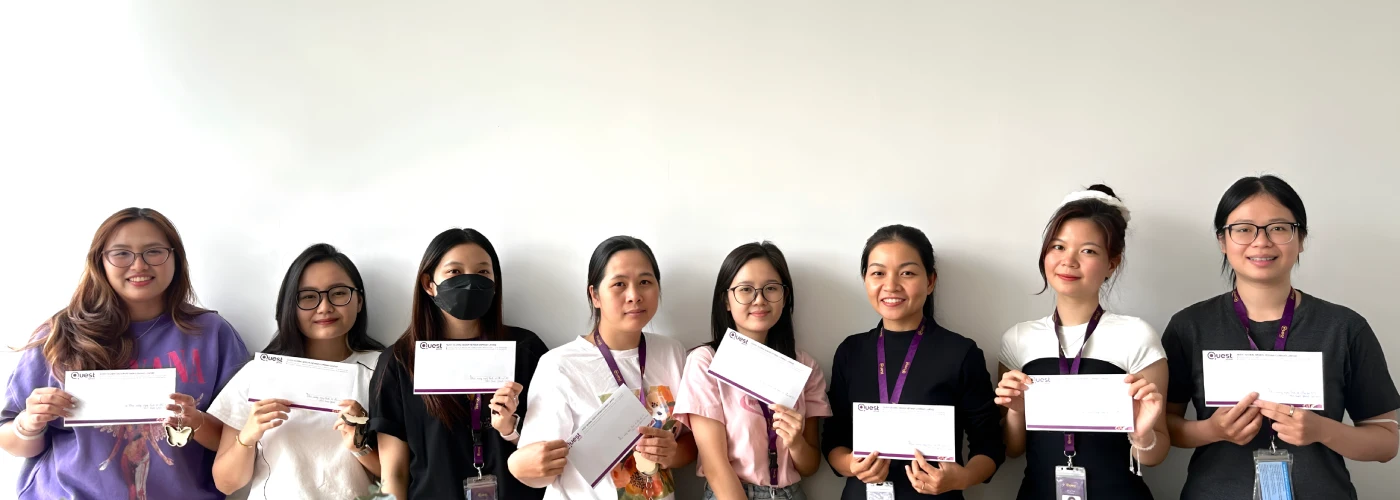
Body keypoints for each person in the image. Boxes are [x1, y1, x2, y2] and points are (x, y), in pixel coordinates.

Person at [1162, 175, 1399, 499]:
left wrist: (1322, 430)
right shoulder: (1189, 327)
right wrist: (1210, 430)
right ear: (1222, 240)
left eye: (1278, 228)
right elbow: (1164, 427)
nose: (1261, 242)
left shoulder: (1344, 328)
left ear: (1300, 238)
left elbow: (1387, 441)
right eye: (1243, 229)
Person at [1, 207, 250, 499]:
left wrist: (196, 421)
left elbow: (242, 442)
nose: (139, 265)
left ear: (176, 259)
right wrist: (30, 423)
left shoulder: (212, 334)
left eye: (154, 252)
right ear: (100, 262)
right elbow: (10, 440)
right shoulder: (60, 333)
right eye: (121, 254)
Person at [994, 185, 1169, 499]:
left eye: (1088, 250)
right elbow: (1013, 450)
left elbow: (1156, 455)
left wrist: (1141, 434)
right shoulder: (1017, 339)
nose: (1068, 261)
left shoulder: (1137, 335)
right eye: (1058, 247)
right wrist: (1017, 411)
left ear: (1111, 263)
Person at [822, 224, 1004, 499]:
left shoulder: (960, 353)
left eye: (907, 273)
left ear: (930, 281)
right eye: (878, 273)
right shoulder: (851, 351)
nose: (891, 285)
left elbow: (990, 446)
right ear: (865, 280)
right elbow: (833, 439)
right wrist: (850, 464)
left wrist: (962, 478)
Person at [510, 235, 698, 500]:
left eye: (645, 282)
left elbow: (692, 443)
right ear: (595, 295)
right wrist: (517, 465)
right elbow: (538, 469)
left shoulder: (672, 352)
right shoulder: (560, 365)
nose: (634, 295)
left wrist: (672, 454)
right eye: (619, 284)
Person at [369, 228, 549, 499]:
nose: (469, 282)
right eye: (454, 272)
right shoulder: (400, 361)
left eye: (482, 273)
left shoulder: (525, 349)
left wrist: (511, 430)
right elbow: (394, 473)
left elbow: (549, 444)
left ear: (495, 283)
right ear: (429, 284)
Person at [206, 243, 385, 499]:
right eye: (308, 296)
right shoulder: (259, 373)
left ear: (359, 301)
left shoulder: (383, 371)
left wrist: (360, 446)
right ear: (290, 305)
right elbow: (226, 484)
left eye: (338, 293)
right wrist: (249, 435)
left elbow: (399, 477)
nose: (325, 307)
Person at [675, 242, 832, 500]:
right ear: (726, 300)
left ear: (785, 297)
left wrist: (796, 442)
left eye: (771, 288)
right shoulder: (706, 362)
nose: (759, 299)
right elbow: (716, 467)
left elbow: (810, 466)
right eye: (745, 290)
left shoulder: (804, 367)